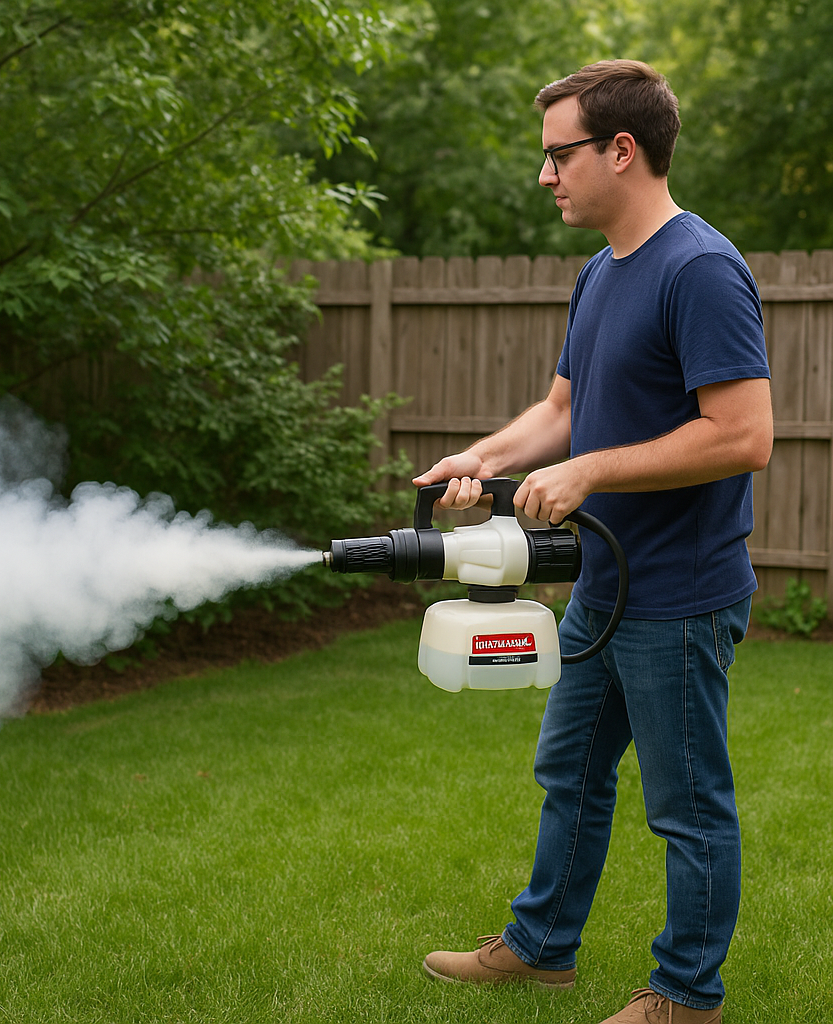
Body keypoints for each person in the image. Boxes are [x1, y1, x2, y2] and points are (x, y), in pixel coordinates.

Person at [414, 60, 772, 1024]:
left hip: (682, 592)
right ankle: (540, 948)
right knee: (569, 770)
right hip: (606, 587)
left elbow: (745, 435)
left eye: (558, 155)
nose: (546, 177)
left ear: (622, 150)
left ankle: (687, 994)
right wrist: (479, 458)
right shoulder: (601, 273)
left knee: (687, 810)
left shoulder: (700, 269)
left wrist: (592, 473)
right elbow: (562, 412)